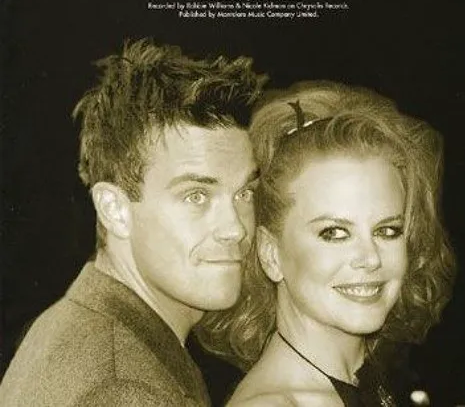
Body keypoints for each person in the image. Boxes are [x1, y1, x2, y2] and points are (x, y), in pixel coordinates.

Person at [0, 39, 266, 406]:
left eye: (244, 193)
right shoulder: (124, 388)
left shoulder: (83, 325)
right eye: (196, 196)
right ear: (114, 209)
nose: (235, 228)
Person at [197, 81, 456, 406]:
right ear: (270, 254)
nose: (370, 258)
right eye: (334, 233)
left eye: (387, 231)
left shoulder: (363, 384)